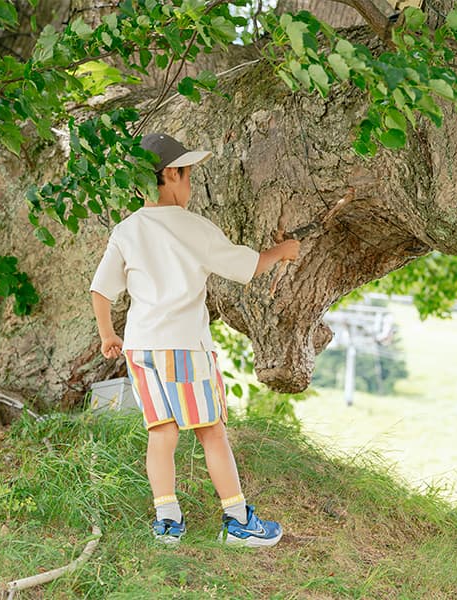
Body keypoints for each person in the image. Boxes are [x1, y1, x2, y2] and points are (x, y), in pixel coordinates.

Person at [90, 132, 300, 546]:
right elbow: (250, 266)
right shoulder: (194, 228)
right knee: (212, 432)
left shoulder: (126, 230)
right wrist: (283, 252)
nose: (189, 186)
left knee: (161, 433)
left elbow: (101, 290)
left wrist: (108, 334)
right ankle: (238, 522)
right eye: (187, 177)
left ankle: (167, 523)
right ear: (171, 174)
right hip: (185, 349)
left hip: (140, 347)